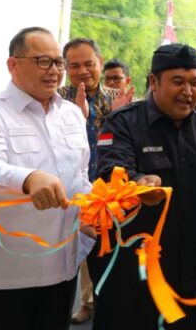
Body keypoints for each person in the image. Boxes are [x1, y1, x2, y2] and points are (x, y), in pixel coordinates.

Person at [90, 43, 196, 330]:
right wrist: (138, 182)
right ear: (154, 81)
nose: (188, 92)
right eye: (177, 82)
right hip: (135, 263)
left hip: (190, 263)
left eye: (194, 82)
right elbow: (110, 171)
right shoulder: (123, 122)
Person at [0, 26, 91, 329]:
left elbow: (80, 178)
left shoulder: (72, 115)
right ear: (13, 64)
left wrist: (99, 206)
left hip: (62, 271)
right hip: (5, 277)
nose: (54, 71)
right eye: (43, 61)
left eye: (58, 62)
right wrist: (29, 178)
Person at [60, 37, 131, 324]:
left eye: (89, 64)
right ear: (65, 67)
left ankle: (95, 305)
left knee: (102, 257)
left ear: (100, 63)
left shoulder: (118, 99)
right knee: (61, 258)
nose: (82, 71)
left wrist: (118, 117)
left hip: (103, 193)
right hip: (65, 192)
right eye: (74, 65)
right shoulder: (54, 97)